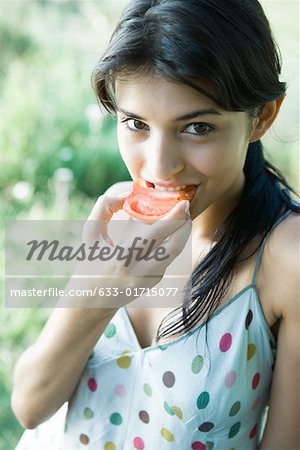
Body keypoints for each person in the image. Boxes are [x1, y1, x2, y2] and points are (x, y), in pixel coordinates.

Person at [12, 0, 300, 449]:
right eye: (136, 124)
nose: (159, 167)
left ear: (262, 116)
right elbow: (30, 406)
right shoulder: (119, 219)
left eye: (197, 128)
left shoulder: (286, 260)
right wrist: (99, 288)